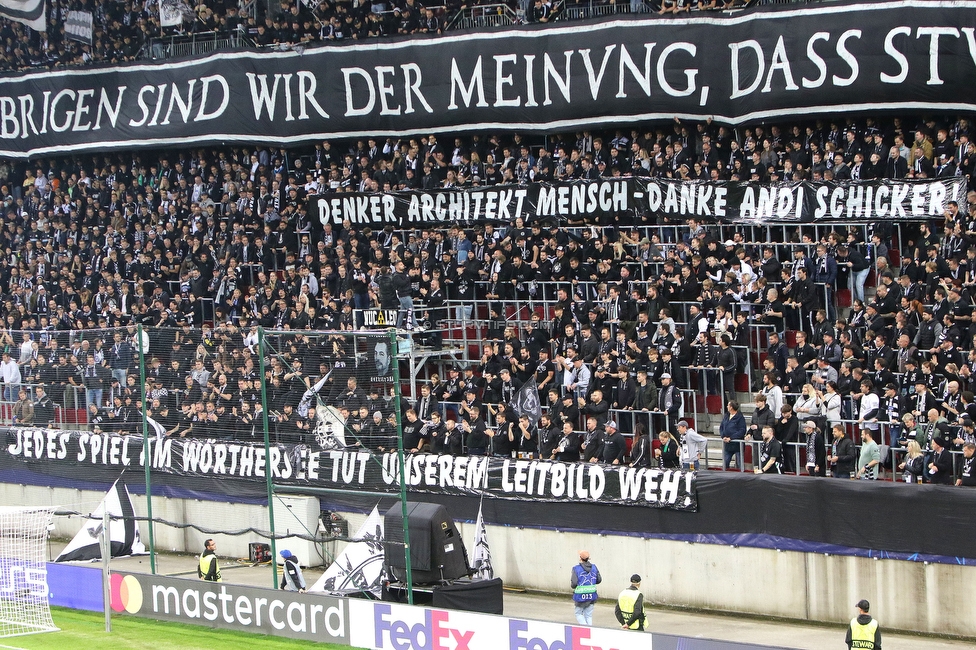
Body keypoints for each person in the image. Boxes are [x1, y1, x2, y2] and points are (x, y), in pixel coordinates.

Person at [570, 550, 601, 625]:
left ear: (580, 558)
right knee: (589, 615)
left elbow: (574, 583)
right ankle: (590, 629)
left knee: (578, 613)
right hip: (592, 595)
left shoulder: (576, 568)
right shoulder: (594, 567)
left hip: (580, 596)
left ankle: (585, 629)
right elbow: (599, 580)